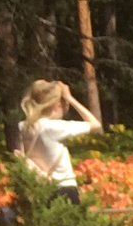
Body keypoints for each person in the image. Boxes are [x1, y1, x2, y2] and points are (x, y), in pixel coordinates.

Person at [16, 78, 101, 207]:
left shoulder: (23, 126)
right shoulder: (54, 127)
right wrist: (71, 98)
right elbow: (95, 124)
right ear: (57, 105)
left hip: (40, 187)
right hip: (64, 188)